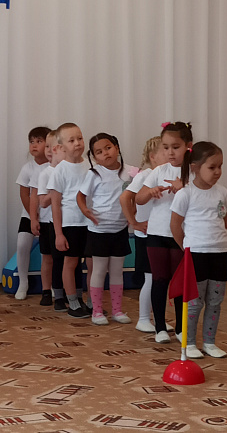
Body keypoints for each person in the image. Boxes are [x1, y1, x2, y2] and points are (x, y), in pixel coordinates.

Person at [170, 141, 227, 359]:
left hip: (219, 253)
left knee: (215, 301)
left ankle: (210, 342)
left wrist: (217, 240)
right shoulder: (185, 194)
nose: (217, 171)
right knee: (194, 303)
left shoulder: (222, 192)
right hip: (195, 254)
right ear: (195, 167)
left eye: (220, 166)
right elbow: (175, 225)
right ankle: (189, 343)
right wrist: (186, 247)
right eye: (212, 167)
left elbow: (224, 218)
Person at [136, 121, 193, 343]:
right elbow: (139, 198)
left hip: (181, 234)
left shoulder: (194, 171)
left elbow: (201, 199)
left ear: (188, 146)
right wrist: (150, 191)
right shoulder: (159, 171)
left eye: (175, 147)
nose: (170, 152)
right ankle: (160, 327)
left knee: (180, 282)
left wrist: (184, 189)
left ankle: (180, 328)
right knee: (159, 280)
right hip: (157, 233)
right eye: (166, 147)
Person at [78, 133, 137, 325]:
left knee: (117, 271)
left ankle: (117, 311)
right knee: (99, 271)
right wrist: (85, 210)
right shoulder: (94, 173)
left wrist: (133, 214)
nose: (105, 153)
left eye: (108, 147)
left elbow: (136, 195)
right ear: (94, 157)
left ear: (117, 147)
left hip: (120, 230)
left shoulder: (130, 172)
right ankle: (96, 311)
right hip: (99, 231)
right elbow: (80, 196)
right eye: (99, 152)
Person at [122, 137, 170, 333]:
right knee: (151, 279)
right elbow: (125, 198)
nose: (170, 155)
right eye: (165, 151)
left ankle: (158, 318)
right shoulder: (146, 175)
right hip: (147, 237)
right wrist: (134, 223)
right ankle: (143, 318)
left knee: (161, 279)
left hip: (161, 235)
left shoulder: (168, 175)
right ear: (153, 157)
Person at [47, 122, 92, 318]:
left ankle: (92, 302)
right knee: (70, 262)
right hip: (71, 224)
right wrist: (59, 233)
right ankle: (73, 302)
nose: (77, 143)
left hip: (90, 223)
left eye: (80, 138)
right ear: (61, 147)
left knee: (93, 264)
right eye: (71, 140)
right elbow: (55, 205)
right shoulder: (60, 170)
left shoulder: (91, 165)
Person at [14, 126, 51, 300]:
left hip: (50, 216)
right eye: (31, 142)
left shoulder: (54, 166)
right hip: (29, 214)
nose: (34, 145)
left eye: (39, 141)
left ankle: (50, 285)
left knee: (48, 252)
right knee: (22, 244)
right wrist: (32, 215)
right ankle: (23, 282)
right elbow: (24, 193)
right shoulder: (27, 168)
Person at [31, 130, 59, 306]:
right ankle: (46, 290)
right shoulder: (42, 172)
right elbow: (36, 197)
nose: (49, 150)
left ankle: (62, 290)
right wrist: (34, 219)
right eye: (47, 146)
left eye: (53, 146)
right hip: (46, 221)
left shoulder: (68, 170)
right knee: (47, 258)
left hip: (65, 222)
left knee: (63, 259)